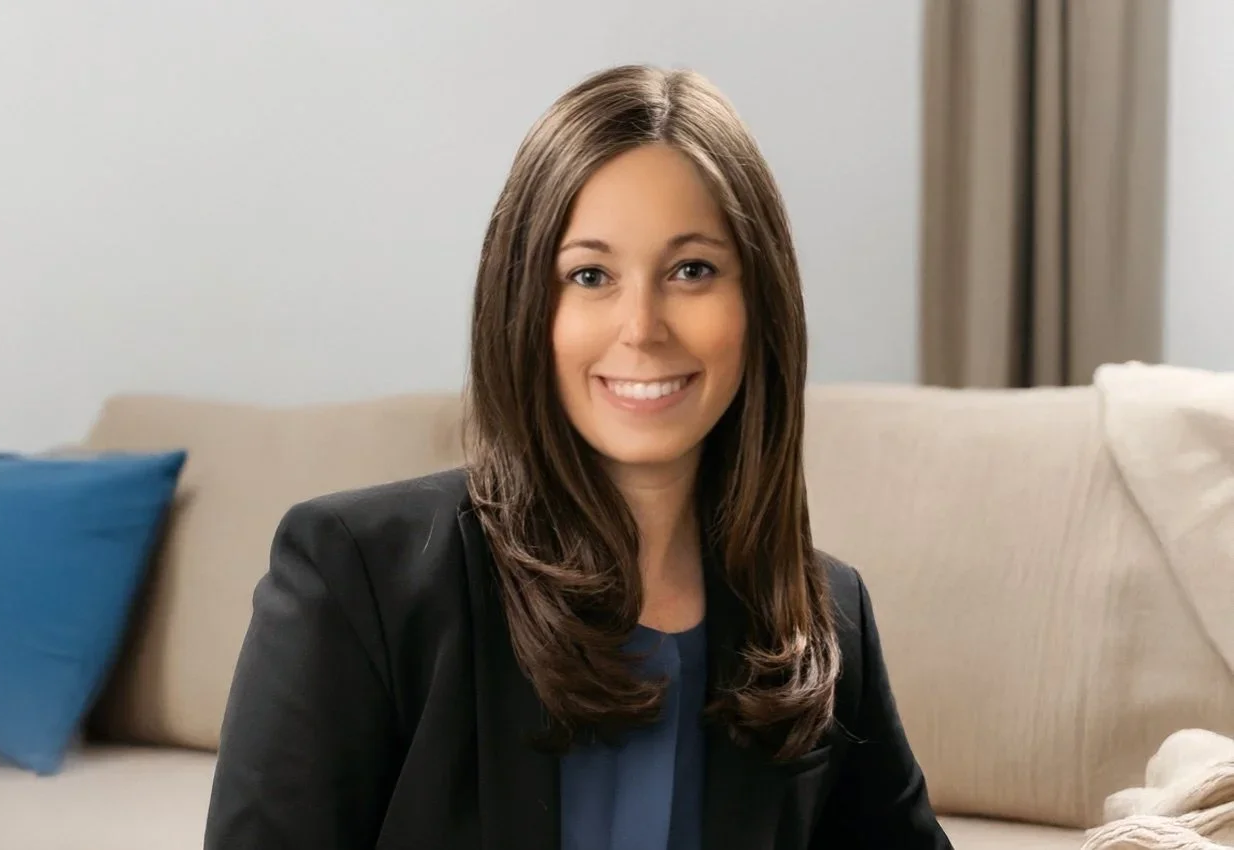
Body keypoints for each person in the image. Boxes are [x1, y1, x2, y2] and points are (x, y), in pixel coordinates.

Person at [203, 65, 952, 850]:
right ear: (523, 304)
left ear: (759, 300)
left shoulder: (821, 614)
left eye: (691, 270)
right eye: (589, 275)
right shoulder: (356, 580)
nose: (642, 327)